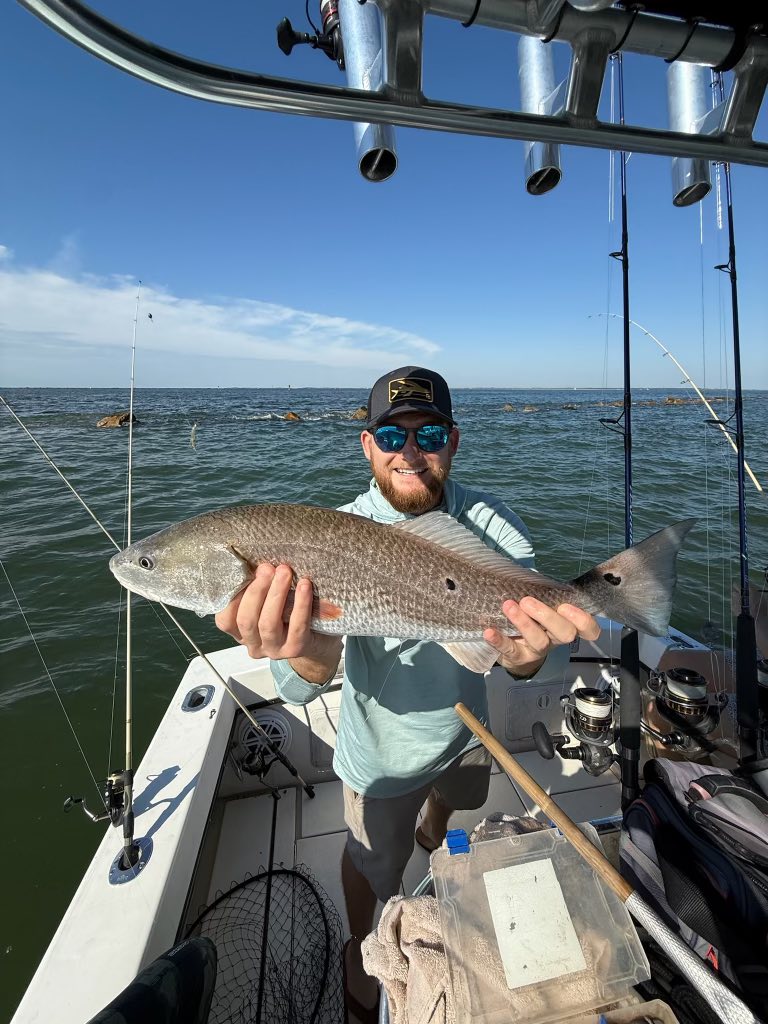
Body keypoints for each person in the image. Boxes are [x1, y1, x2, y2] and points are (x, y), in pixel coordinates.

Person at [215, 366, 600, 1021]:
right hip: (382, 754)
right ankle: (360, 950)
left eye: (430, 434)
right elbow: (300, 682)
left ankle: (433, 829)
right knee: (373, 865)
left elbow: (526, 652)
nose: (411, 452)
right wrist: (306, 648)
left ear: (455, 441)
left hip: (467, 733)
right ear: (368, 445)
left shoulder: (492, 525)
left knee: (454, 806)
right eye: (393, 435)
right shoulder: (331, 534)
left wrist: (529, 656)